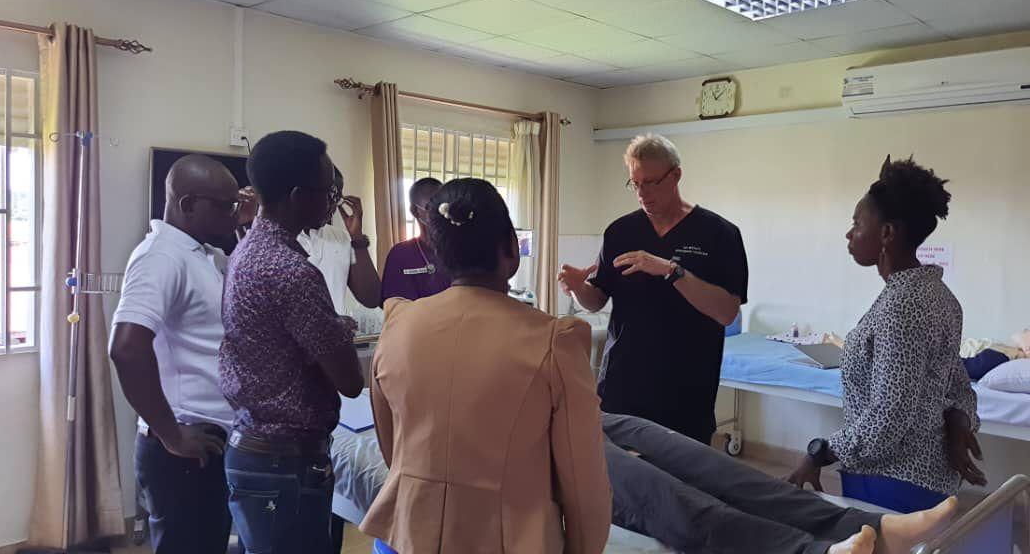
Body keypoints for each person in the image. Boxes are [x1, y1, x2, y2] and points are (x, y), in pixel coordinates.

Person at [362, 178, 612, 554]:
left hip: (405, 535)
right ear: (511, 249)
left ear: (439, 254)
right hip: (507, 539)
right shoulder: (553, 342)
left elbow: (391, 447)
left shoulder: (398, 325)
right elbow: (583, 484)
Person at [789, 156, 984, 513]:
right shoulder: (941, 297)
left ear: (887, 233)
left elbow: (888, 419)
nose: (849, 233)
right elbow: (957, 384)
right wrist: (960, 419)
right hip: (929, 479)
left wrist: (819, 452)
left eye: (856, 223)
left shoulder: (902, 306)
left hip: (892, 481)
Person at [220, 131, 364, 554]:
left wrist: (327, 325)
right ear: (299, 196)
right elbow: (349, 381)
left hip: (253, 448)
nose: (332, 202)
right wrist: (338, 329)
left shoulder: (246, 252)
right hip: (285, 463)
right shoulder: (293, 273)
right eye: (326, 192)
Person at [558, 133, 748, 444]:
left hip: (686, 391)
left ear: (676, 175)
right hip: (622, 386)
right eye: (635, 183)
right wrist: (579, 289)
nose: (642, 194)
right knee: (620, 484)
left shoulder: (719, 234)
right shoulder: (620, 231)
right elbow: (597, 300)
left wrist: (672, 271)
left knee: (680, 486)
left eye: (651, 182)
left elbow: (727, 312)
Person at [109, 155, 255, 554]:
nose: (235, 213)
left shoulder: (203, 254)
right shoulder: (161, 257)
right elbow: (126, 348)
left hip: (212, 441)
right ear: (188, 204)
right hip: (185, 450)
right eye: (226, 206)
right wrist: (171, 434)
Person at [603, 412, 959, 554]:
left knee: (715, 468)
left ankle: (873, 529)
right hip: (546, 444)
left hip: (585, 410)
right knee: (658, 489)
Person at [297, 167, 381, 312]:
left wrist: (357, 237)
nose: (333, 207)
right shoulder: (277, 239)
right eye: (329, 197)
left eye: (337, 199)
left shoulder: (339, 237)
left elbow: (372, 298)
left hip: (333, 334)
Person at [379, 177, 451, 302]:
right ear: (415, 211)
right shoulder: (401, 254)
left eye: (443, 206)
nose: (440, 212)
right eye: (431, 206)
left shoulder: (461, 251)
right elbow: (393, 306)